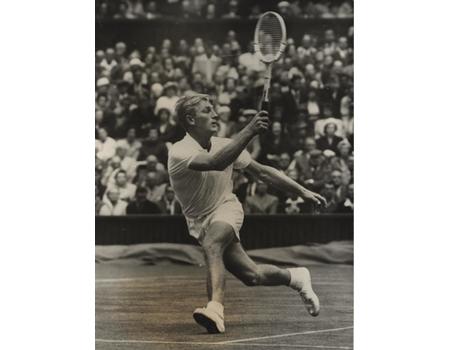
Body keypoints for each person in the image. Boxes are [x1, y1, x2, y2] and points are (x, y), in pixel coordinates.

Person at [168, 94, 326, 334]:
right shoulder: (179, 151)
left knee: (212, 244)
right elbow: (215, 162)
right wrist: (250, 130)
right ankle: (296, 277)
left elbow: (262, 173)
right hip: (198, 220)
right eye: (207, 111)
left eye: (214, 109)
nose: (215, 114)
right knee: (251, 275)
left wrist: (302, 191)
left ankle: (215, 309)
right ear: (190, 119)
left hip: (226, 208)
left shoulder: (225, 144)